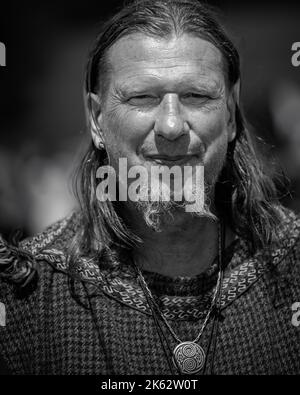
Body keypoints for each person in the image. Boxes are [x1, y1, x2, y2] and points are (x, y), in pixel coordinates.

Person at [0, 0, 300, 375]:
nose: (171, 126)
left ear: (230, 114)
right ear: (96, 120)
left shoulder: (291, 267)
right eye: (142, 97)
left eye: (197, 96)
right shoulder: (28, 297)